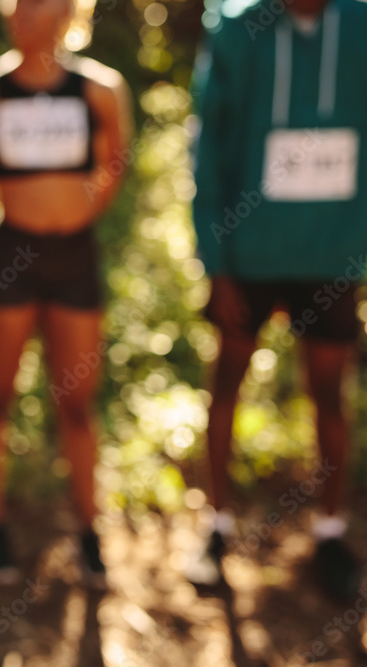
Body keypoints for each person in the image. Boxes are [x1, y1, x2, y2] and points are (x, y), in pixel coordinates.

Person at [0, 0, 131, 586]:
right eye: (14, 4)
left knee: (78, 404)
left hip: (74, 257)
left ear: (67, 12)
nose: (19, 12)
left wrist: (87, 209)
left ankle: (90, 532)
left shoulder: (99, 90)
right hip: (11, 255)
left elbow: (116, 159)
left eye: (36, 3)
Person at [189, 0, 367, 599]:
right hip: (251, 255)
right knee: (227, 382)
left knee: (329, 394)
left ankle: (330, 533)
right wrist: (217, 262)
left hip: (334, 252)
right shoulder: (241, 28)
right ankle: (215, 527)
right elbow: (209, 143)